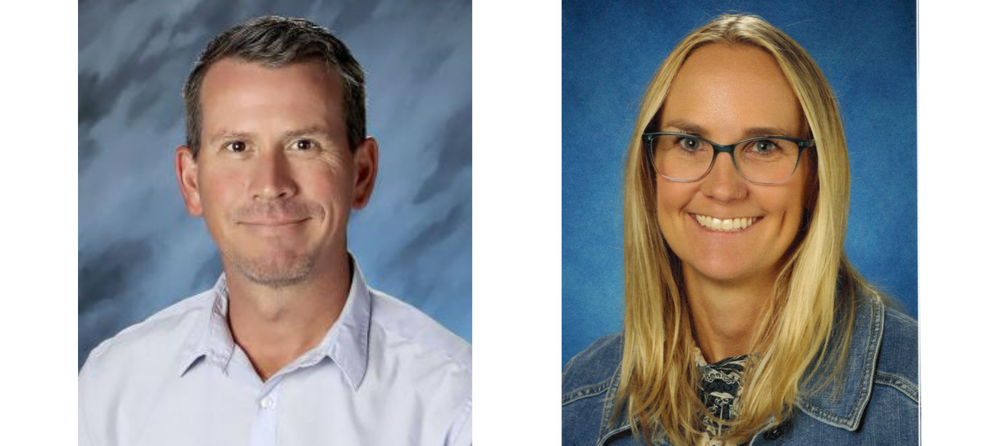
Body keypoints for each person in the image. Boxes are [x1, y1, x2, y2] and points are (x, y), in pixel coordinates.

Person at [78, 16, 471, 446]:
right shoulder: (111, 389)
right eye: (237, 147)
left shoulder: (459, 401)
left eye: (304, 144)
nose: (270, 183)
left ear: (362, 173)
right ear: (191, 182)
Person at [562, 14, 917, 446]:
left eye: (764, 146)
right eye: (690, 144)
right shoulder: (576, 403)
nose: (723, 188)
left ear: (817, 175)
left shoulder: (920, 404)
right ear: (650, 169)